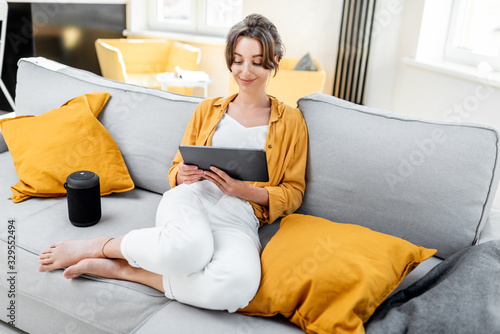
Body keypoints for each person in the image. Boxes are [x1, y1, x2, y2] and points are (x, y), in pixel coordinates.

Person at [37, 13, 308, 312]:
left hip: (241, 215)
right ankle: (99, 246)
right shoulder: (208, 109)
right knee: (191, 251)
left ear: (274, 61)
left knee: (236, 287)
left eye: (257, 61)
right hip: (192, 199)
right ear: (230, 61)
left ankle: (126, 270)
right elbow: (177, 167)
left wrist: (244, 191)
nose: (245, 71)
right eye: (238, 60)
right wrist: (182, 174)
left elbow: (294, 191)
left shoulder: (292, 121)